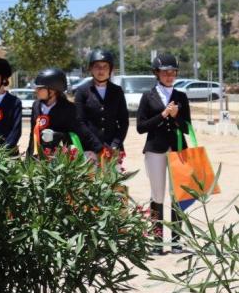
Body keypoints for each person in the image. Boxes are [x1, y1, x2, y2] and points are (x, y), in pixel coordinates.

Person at [136, 52, 191, 255]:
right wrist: (163, 115)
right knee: (157, 194)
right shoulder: (147, 96)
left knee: (177, 196)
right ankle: (157, 241)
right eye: (165, 72)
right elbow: (140, 127)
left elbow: (187, 128)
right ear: (156, 73)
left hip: (178, 150)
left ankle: (176, 241)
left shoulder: (181, 96)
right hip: (155, 150)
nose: (169, 75)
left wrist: (176, 117)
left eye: (172, 72)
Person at [26, 68, 102, 158]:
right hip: (38, 156)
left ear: (52, 90)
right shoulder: (36, 105)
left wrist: (99, 148)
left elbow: (82, 131)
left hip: (59, 158)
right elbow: (33, 134)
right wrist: (29, 157)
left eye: (40, 88)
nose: (36, 90)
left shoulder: (69, 108)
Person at [74, 50, 129, 161]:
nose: (101, 70)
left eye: (105, 66)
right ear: (91, 69)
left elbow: (124, 121)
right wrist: (98, 147)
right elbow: (80, 122)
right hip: (90, 149)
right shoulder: (82, 91)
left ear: (110, 69)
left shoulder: (117, 91)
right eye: (97, 66)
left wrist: (115, 144)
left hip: (113, 149)